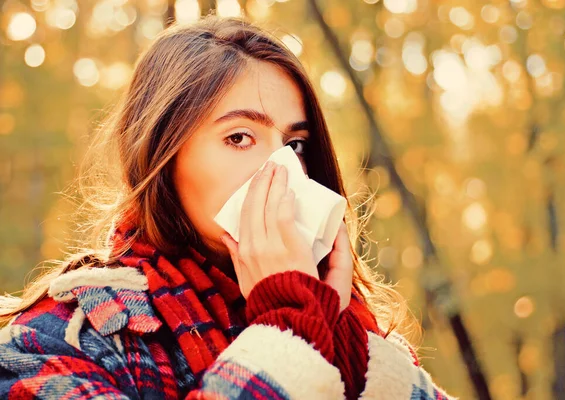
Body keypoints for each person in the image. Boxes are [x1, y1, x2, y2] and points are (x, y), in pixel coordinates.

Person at [0, 15, 457, 400]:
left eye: (295, 145)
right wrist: (293, 329)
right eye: (239, 137)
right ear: (162, 158)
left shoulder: (364, 342)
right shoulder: (59, 342)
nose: (285, 173)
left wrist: (341, 343)